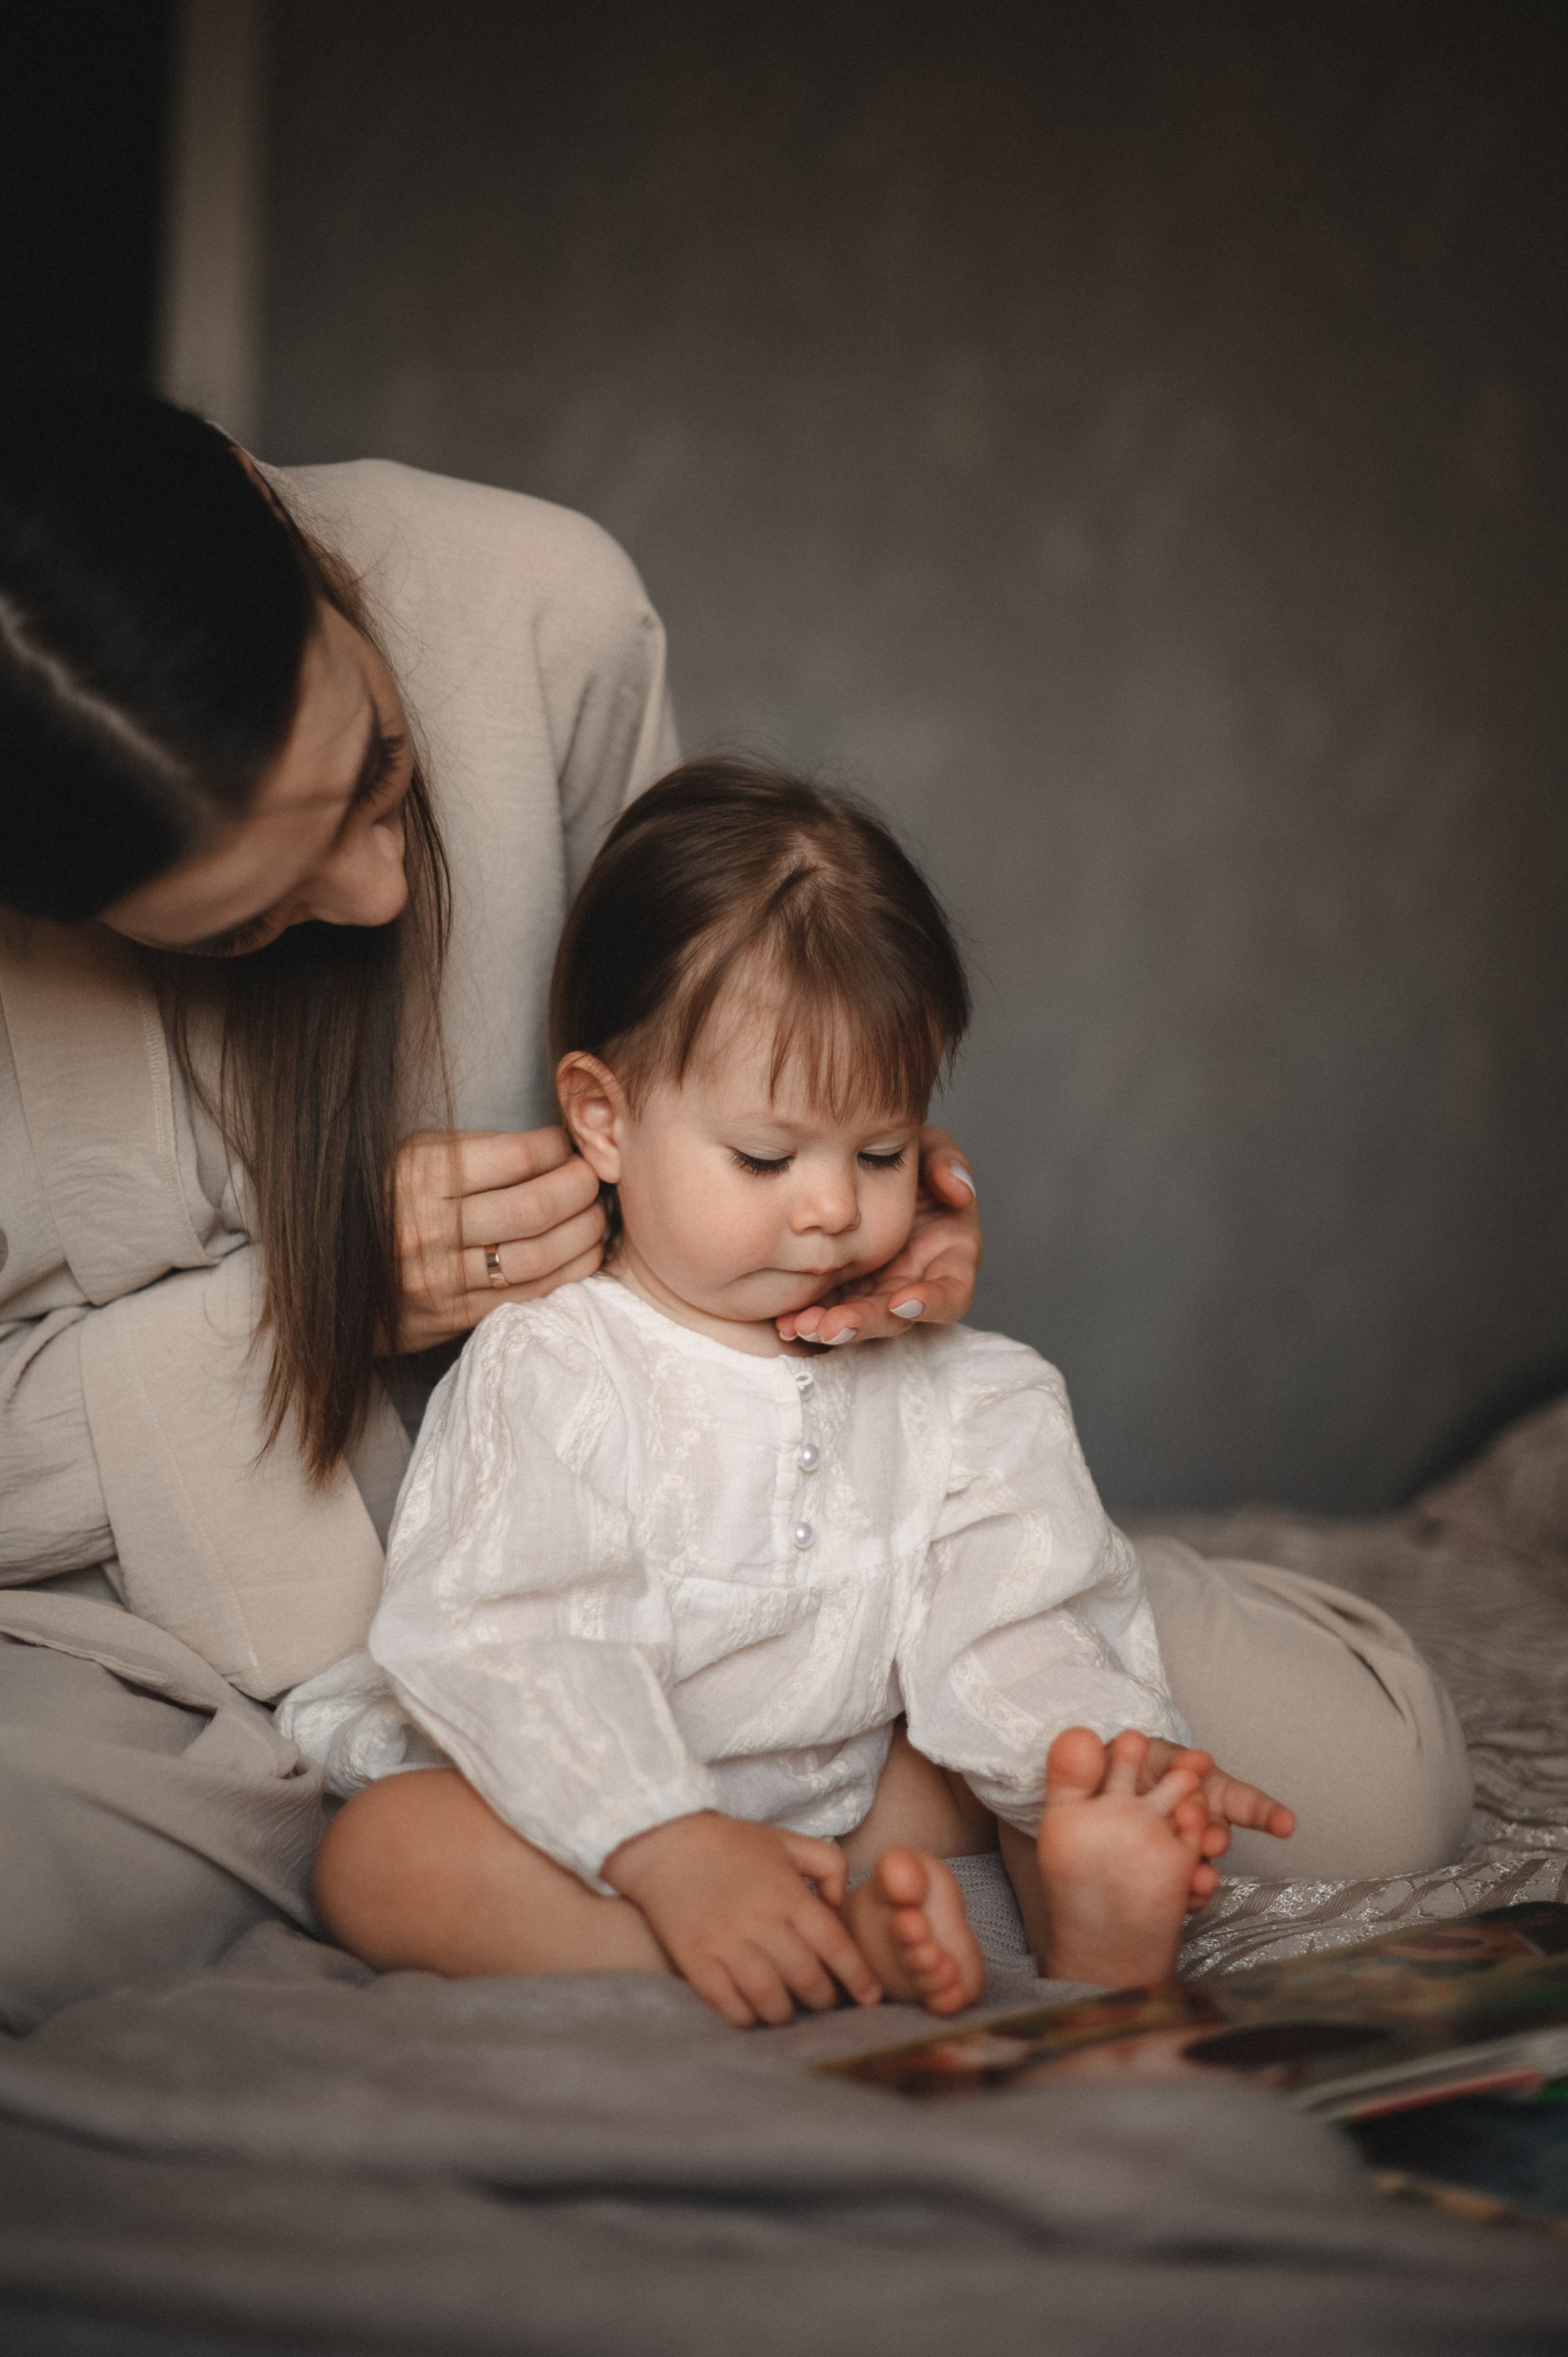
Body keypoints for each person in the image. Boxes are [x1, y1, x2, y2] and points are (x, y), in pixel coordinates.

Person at [0, 395, 982, 2032]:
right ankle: (740, 1913)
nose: (383, 900)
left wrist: (861, 1211)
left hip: (658, 1533)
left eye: (381, 771)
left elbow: (710, 1057)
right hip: (140, 1647)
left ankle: (794, 1866)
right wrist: (301, 1312)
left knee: (1364, 1769)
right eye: (245, 929)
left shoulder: (543, 614)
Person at [285, 764, 1467, 2023]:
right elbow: (515, 1634)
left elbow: (1017, 1616)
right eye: (764, 1154)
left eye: (882, 1149)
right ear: (602, 1119)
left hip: (840, 1790)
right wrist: (664, 1838)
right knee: (382, 1854)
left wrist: (1106, 1758)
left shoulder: (968, 1392)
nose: (835, 1206)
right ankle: (767, 1942)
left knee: (1022, 1749)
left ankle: (1094, 1930)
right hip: (603, 1808)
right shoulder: (554, 1367)